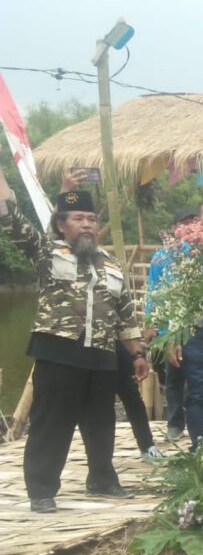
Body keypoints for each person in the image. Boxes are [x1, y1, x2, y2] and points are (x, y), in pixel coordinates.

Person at [23, 191, 150, 513]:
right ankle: (41, 489)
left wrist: (137, 355)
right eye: (78, 218)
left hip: (102, 354)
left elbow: (125, 316)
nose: (87, 225)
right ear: (61, 224)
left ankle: (102, 479)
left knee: (101, 422)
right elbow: (14, 224)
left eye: (91, 219)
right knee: (52, 423)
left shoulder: (111, 263)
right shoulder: (47, 253)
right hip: (58, 352)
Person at [147, 207, 195, 440]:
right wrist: (151, 323)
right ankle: (175, 423)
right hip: (170, 326)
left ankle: (199, 423)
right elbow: (153, 290)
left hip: (198, 324)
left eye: (193, 223)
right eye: (184, 224)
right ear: (175, 229)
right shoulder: (160, 257)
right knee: (174, 377)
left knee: (199, 379)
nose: (188, 228)